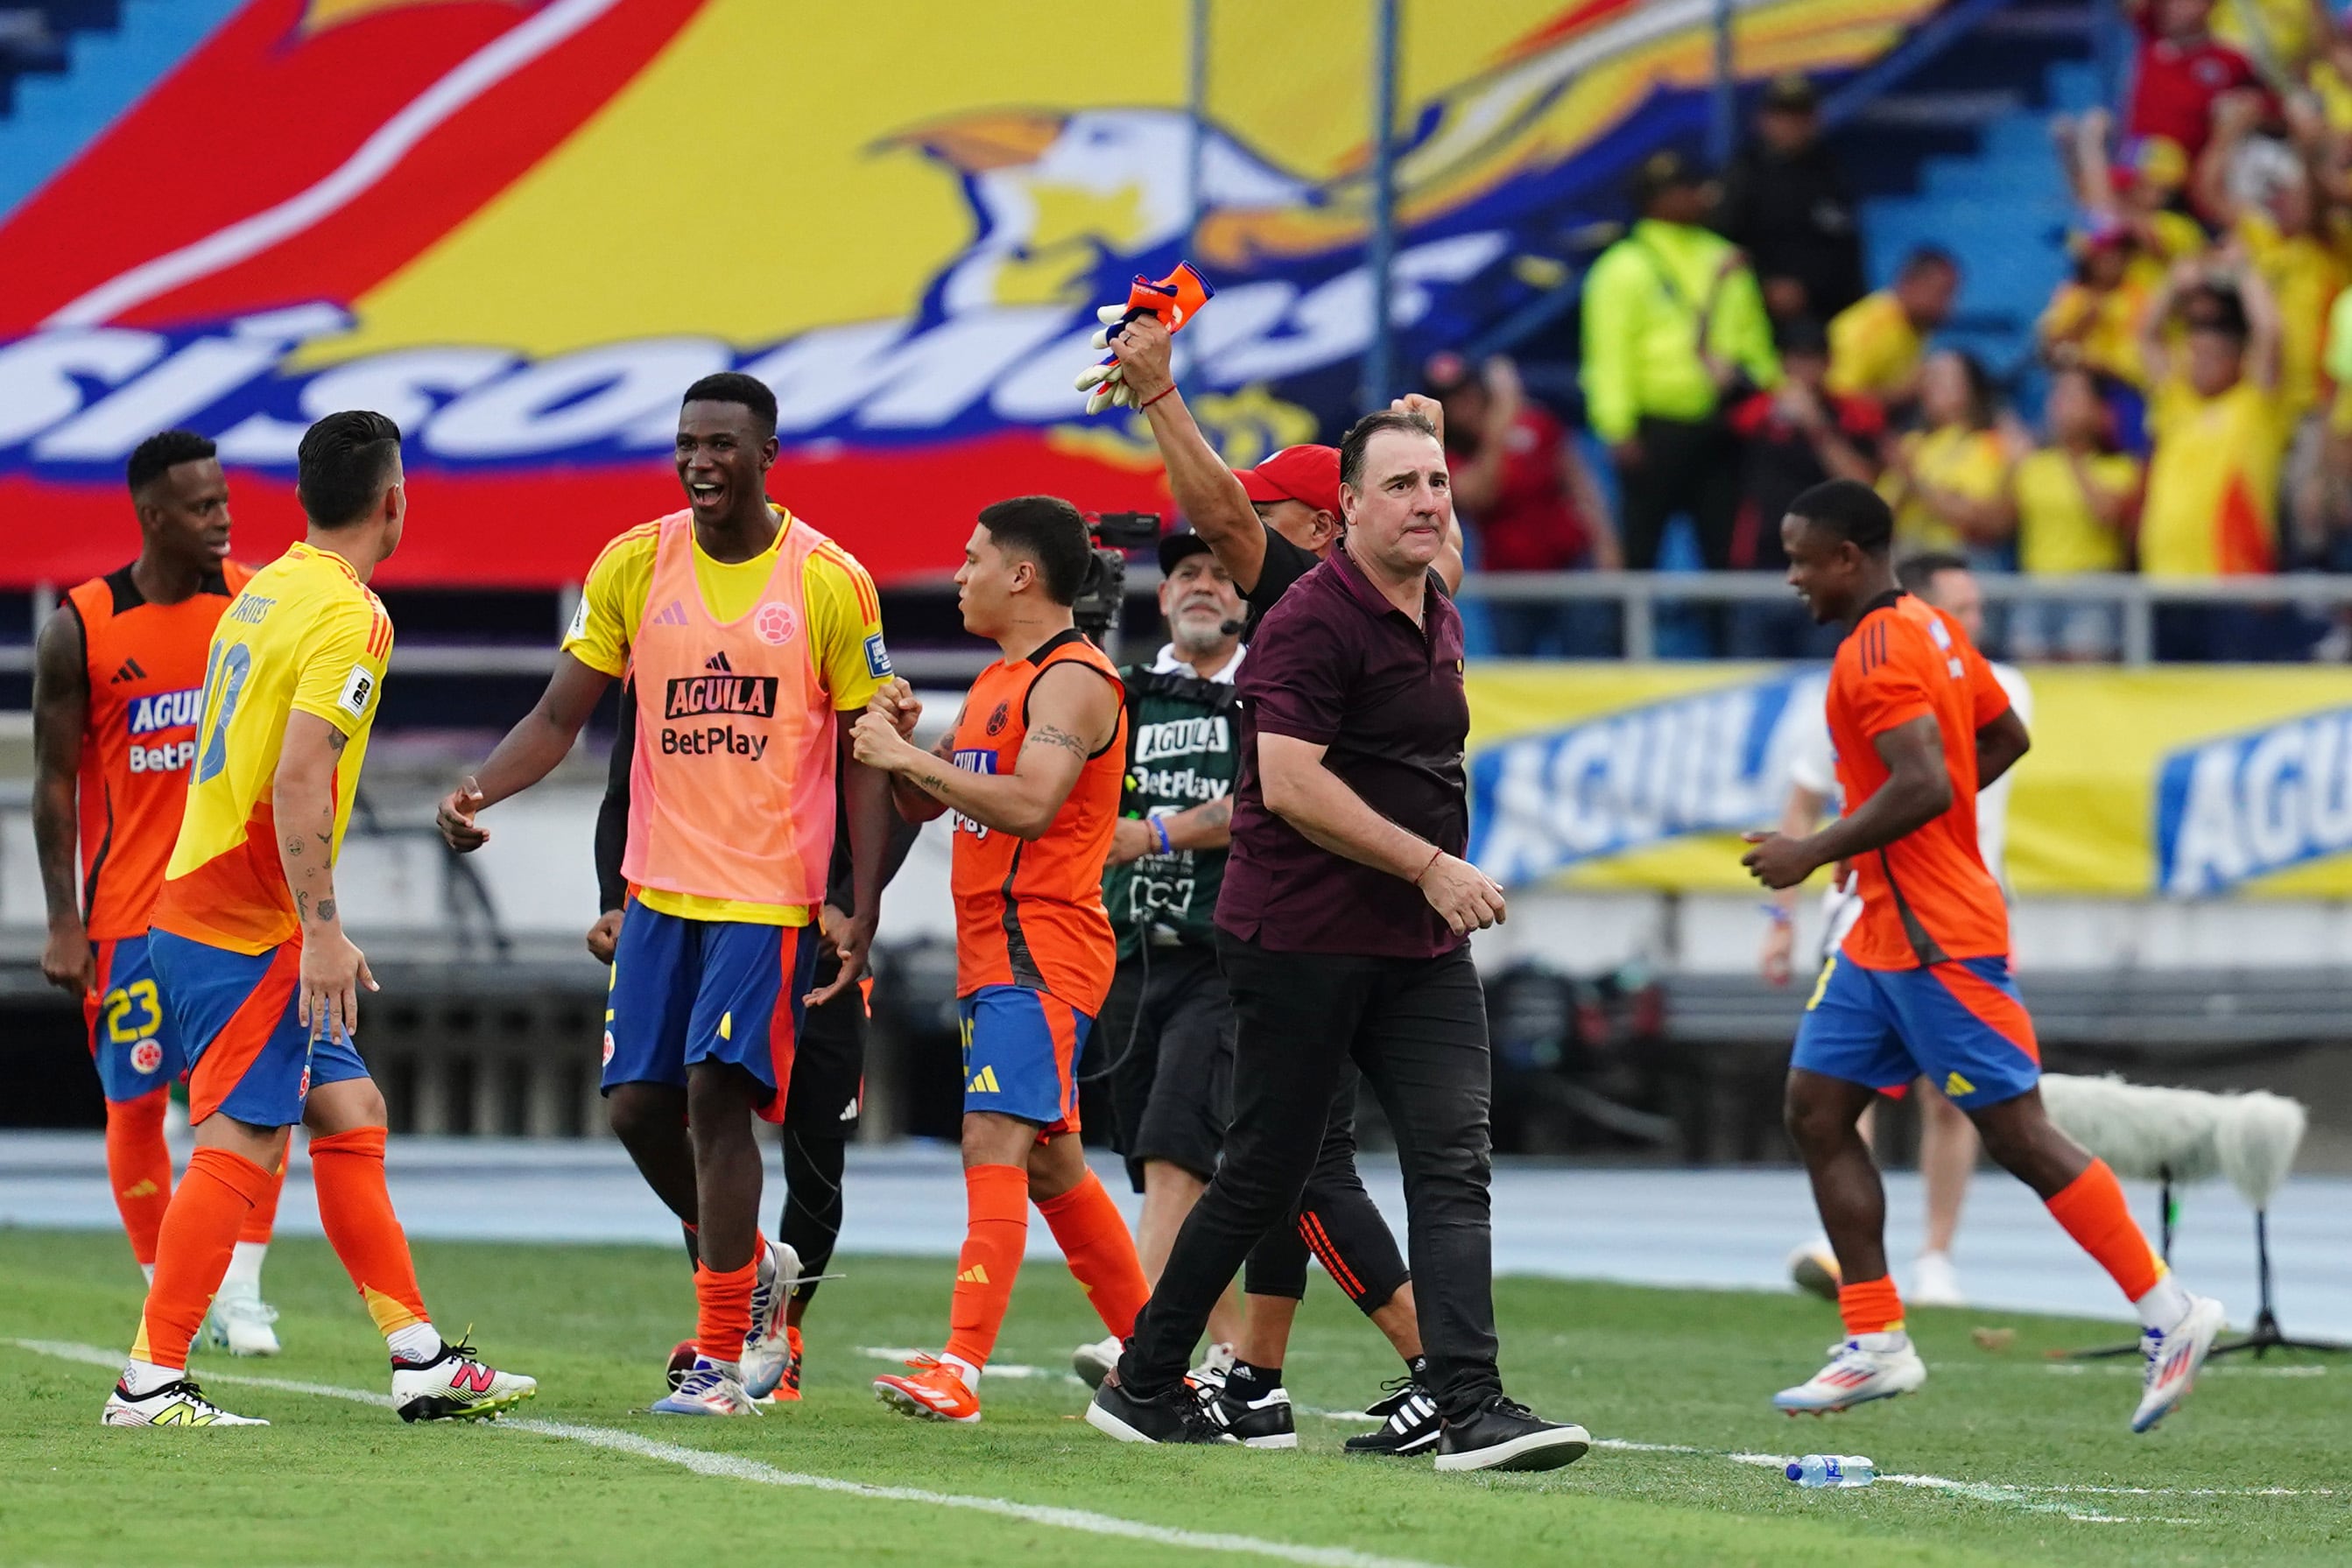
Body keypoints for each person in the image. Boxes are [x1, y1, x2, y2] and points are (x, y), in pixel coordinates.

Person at [1086, 410, 1590, 1473]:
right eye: (1399, 485)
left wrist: (1425, 425)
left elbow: (1436, 543)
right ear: (1343, 513)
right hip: (1303, 938)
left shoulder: (1432, 600)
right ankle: (1146, 1381)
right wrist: (1429, 864)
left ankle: (1469, 1404)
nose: (1425, 502)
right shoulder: (1311, 618)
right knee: (1265, 1172)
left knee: (1453, 1163)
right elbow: (1292, 782)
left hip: (1417, 944)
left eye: (1438, 484)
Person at [435, 372, 896, 1417]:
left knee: (713, 1096)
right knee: (638, 1108)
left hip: (768, 896)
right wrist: (478, 786)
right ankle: (753, 1274)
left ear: (767, 454)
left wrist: (860, 903)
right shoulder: (634, 563)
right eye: (688, 442)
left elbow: (868, 753)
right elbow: (561, 716)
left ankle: (723, 1359)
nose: (700, 461)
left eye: (723, 444)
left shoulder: (828, 579)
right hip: (660, 893)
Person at [1743, 478, 2223, 1433]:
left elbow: (1922, 780)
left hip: (1933, 936)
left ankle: (2171, 1314)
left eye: (1801, 558)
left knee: (2019, 1135)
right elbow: (2002, 735)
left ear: (1848, 557)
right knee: (1815, 1108)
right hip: (1883, 929)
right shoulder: (1925, 626)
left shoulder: (1878, 650)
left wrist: (1817, 847)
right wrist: (1902, 833)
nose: (1792, 577)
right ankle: (1874, 1340)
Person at [103, 411, 534, 1426]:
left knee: (350, 1112)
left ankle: (417, 1353)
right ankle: (148, 1379)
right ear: (394, 502)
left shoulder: (263, 588)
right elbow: (300, 782)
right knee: (243, 1141)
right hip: (245, 922)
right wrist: (324, 928)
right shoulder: (354, 616)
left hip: (221, 903)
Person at [1105, 311, 1448, 1459]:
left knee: (1274, 1161)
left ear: (1313, 523)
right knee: (1291, 1165)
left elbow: (1212, 511)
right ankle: (1247, 1372)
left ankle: (1426, 1366)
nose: (1230, 527)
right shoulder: (1387, 599)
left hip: (1291, 926)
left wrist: (1160, 398)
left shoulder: (1307, 607)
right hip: (1333, 923)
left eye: (1259, 513)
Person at [848, 496, 1151, 1425]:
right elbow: (928, 808)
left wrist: (907, 756)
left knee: (993, 1139)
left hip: (1043, 944)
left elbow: (1028, 804)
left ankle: (962, 1367)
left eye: (973, 556)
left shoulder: (1074, 680)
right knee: (1052, 1161)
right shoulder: (994, 682)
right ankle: (1159, 1359)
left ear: (1021, 574)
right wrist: (904, 757)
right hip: (996, 950)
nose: (958, 572)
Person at [587, 681, 921, 1403]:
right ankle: (740, 1300)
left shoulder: (827, 632)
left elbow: (895, 795)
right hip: (698, 919)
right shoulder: (657, 637)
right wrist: (613, 901)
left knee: (813, 1144)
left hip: (808, 937)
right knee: (685, 1109)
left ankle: (783, 1331)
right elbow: (625, 784)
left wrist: (847, 901)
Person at [32, 430, 286, 1355]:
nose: (223, 516)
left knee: (257, 1100)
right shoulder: (83, 626)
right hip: (130, 914)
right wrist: (63, 919)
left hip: (241, 905)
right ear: (153, 515)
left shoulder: (259, 605)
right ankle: (161, 1291)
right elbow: (53, 782)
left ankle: (243, 1290)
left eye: (224, 498)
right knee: (136, 1104)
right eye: (202, 504)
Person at [1764, 552, 2033, 1309]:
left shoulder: (2001, 687)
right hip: (1867, 905)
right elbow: (1806, 797)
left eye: (1979, 609)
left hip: (1960, 910)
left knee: (1958, 1098)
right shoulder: (1860, 678)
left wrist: (1844, 842)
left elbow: (1939, 779)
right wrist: (1780, 918)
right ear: (1925, 611)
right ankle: (1856, 1254)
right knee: (1843, 1089)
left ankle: (1937, 1255)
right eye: (1962, 609)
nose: (1975, 623)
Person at [1581, 147, 1781, 572]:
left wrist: (1757, 388)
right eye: (1684, 190)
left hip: (1723, 426)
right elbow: (1609, 353)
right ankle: (1629, 640)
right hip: (1654, 429)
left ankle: (1727, 639)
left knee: (1726, 554)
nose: (1698, 196)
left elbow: (1755, 343)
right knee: (1640, 552)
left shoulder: (1725, 258)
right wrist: (1617, 426)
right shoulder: (1623, 267)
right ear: (1655, 200)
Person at [2137, 257, 2291, 657]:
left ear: (2237, 359)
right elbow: (2147, 335)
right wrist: (2175, 280)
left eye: (2212, 356)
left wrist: (2243, 274)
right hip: (2166, 581)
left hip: (2232, 584)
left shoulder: (2253, 407)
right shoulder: (2176, 403)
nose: (2199, 364)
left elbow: (2269, 333)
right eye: (2194, 355)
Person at [1426, 351, 1620, 657]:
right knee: (1517, 670)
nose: (1463, 403)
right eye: (1450, 399)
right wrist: (1499, 427)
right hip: (1510, 583)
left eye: (1467, 392)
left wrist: (1606, 545)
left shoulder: (1535, 422)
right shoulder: (1442, 457)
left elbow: (1580, 483)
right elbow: (1480, 494)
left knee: (1590, 662)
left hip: (1569, 568)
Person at [1725, 316, 1882, 657]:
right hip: (1760, 571)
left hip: (1827, 577)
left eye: (1811, 359)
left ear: (1828, 363)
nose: (1802, 369)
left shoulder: (1852, 415)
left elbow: (1862, 485)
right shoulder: (1755, 415)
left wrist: (1816, 427)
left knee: (1821, 687)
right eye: (1794, 359)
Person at [2009, 367, 2144, 660]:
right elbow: (2000, 522)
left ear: (2099, 411)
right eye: (2057, 394)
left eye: (2072, 395)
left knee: (2086, 677)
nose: (2060, 403)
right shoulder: (2034, 465)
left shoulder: (2120, 467)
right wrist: (2008, 468)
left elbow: (2106, 515)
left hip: (2092, 590)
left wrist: (2073, 455)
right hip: (2035, 587)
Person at [1715, 72, 1868, 325]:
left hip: (1824, 317)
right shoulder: (1742, 175)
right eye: (1783, 116)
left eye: (1801, 116)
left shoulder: (1833, 176)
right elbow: (1720, 247)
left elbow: (1847, 254)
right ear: (1763, 120)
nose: (1793, 125)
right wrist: (1763, 285)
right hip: (1755, 317)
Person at [1878, 349, 2018, 568]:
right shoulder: (1911, 443)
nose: (1930, 387)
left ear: (1970, 388)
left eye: (1941, 379)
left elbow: (1981, 520)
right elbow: (1881, 520)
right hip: (1910, 560)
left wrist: (1916, 483)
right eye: (1928, 379)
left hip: (1964, 562)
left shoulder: (1990, 443)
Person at [2125, 0, 2268, 163]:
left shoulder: (2231, 61)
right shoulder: (2139, 38)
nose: (2172, 6)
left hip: (2192, 170)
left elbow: (2267, 107)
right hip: (2126, 165)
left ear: (2209, 5)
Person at [1826, 248, 1960, 414]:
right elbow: (1838, 397)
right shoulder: (1864, 328)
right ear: (1910, 284)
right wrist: (1901, 394)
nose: (1949, 306)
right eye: (1942, 293)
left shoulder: (1920, 324)